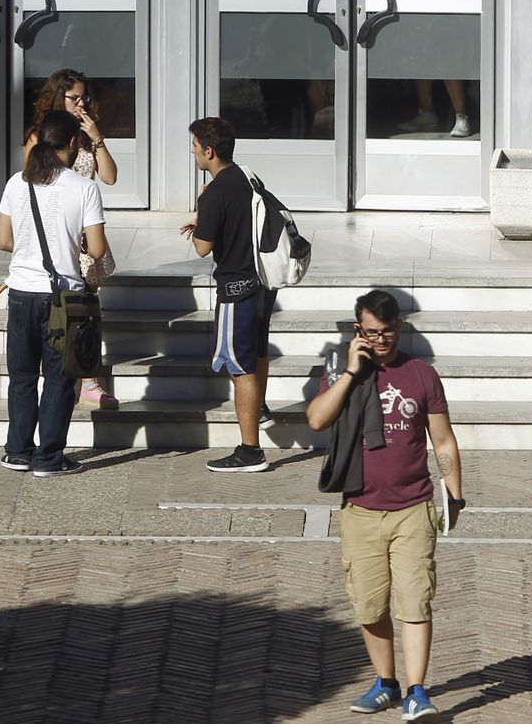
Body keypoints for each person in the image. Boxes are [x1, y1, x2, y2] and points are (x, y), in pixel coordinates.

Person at [306, 289, 464, 722]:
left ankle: (417, 690)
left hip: (413, 507)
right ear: (358, 330)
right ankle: (386, 683)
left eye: (388, 331)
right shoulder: (342, 369)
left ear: (400, 327)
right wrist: (352, 373)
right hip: (360, 509)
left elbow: (443, 439)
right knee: (369, 606)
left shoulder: (421, 375)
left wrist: (454, 492)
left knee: (415, 602)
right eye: (371, 332)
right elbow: (317, 419)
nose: (381, 340)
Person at [0, 109, 107, 478]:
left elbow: (3, 241)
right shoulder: (84, 187)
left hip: (21, 292)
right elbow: (98, 249)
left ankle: (17, 452)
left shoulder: (16, 182)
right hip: (64, 297)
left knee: (22, 376)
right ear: (73, 143)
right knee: (60, 378)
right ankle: (49, 457)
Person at [181, 116, 275, 472]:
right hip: (262, 282)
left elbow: (203, 247)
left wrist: (201, 220)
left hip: (235, 288)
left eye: (193, 148)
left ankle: (250, 450)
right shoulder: (246, 176)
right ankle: (260, 408)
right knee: (257, 354)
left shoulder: (214, 192)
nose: (192, 154)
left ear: (209, 151)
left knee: (239, 368)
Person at [24, 69, 119, 409]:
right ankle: (67, 374)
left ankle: (88, 378)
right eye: (74, 97)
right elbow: (30, 185)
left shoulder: (86, 136)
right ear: (58, 98)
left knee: (87, 311)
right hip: (58, 237)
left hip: (86, 234)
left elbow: (109, 177)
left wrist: (99, 139)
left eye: (84, 97)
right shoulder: (40, 137)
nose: (81, 103)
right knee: (61, 313)